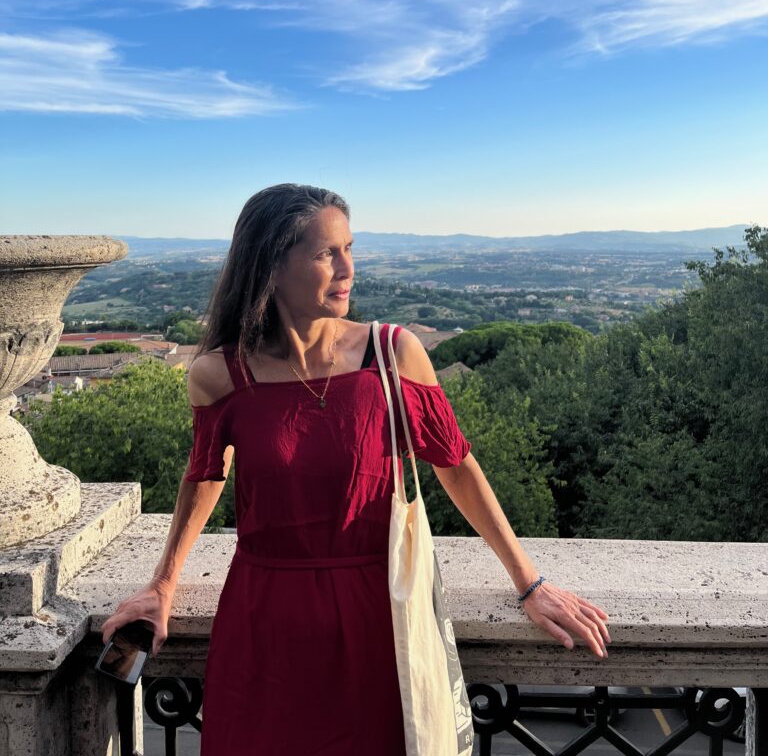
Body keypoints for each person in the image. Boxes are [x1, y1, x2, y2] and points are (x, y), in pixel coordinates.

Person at [102, 183, 611, 755]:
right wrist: (163, 584)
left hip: (380, 621)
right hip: (264, 623)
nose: (348, 269)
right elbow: (205, 476)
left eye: (349, 249)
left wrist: (529, 583)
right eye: (327, 253)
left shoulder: (392, 355)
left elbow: (456, 465)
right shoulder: (220, 375)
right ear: (271, 264)